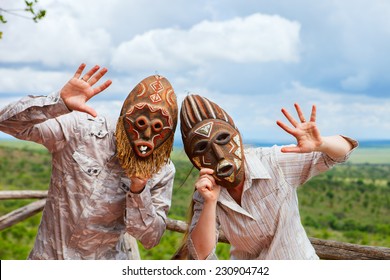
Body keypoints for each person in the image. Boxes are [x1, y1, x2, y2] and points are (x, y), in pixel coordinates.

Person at [0, 63, 178, 260]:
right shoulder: (81, 130)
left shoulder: (162, 169)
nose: (145, 135)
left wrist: (138, 189)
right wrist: (58, 103)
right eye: (141, 123)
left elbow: (150, 239)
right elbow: (7, 123)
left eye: (158, 127)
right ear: (125, 115)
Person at [174, 94, 357, 260]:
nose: (219, 154)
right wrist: (210, 202)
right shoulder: (206, 193)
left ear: (237, 136)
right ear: (195, 160)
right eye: (202, 148)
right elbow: (200, 254)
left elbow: (342, 151)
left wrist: (321, 143)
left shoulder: (273, 162)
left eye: (223, 139)